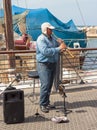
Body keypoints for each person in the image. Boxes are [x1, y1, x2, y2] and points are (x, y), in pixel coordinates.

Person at [36, 22, 66, 113]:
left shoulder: (52, 38)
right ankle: (42, 104)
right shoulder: (41, 39)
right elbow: (46, 52)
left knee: (49, 85)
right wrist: (59, 48)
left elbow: (57, 47)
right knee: (45, 85)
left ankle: (47, 102)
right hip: (44, 64)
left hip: (52, 63)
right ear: (45, 30)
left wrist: (61, 44)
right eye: (50, 29)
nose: (52, 31)